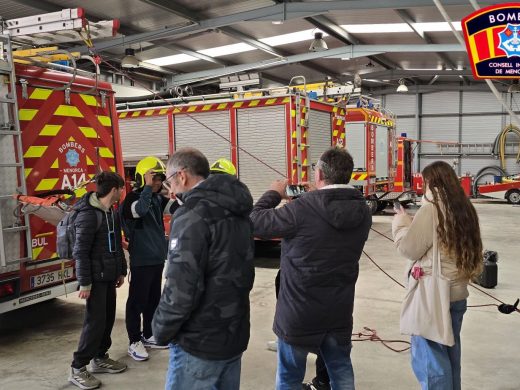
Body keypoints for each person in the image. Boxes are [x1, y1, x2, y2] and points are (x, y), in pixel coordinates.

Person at [250, 147, 372, 390]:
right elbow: (329, 214)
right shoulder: (363, 210)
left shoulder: (302, 209)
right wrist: (314, 197)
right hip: (338, 309)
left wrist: (273, 193)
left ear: (319, 175)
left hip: (299, 312)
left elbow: (254, 222)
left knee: (289, 377)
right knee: (341, 370)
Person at [152, 147, 255, 390]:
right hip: (233, 333)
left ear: (182, 175)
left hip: (199, 342)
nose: (170, 189)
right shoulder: (238, 209)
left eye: (169, 181)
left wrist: (161, 328)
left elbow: (181, 287)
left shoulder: (191, 215)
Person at [392, 161, 483, 390]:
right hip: (457, 294)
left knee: (432, 363)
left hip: (434, 297)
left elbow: (409, 249)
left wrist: (401, 224)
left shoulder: (431, 208)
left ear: (431, 182)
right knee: (451, 355)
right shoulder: (464, 208)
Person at [68, 172, 127, 390]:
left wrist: (121, 270)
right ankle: (78, 367)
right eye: (121, 188)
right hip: (94, 279)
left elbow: (116, 244)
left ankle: (100, 357)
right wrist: (84, 283)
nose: (122, 192)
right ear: (114, 190)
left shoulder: (110, 212)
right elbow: (80, 252)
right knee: (94, 323)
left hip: (109, 276)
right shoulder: (88, 215)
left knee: (107, 319)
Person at [124, 156, 170, 361]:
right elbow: (140, 211)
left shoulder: (158, 199)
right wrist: (147, 188)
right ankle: (134, 341)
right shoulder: (132, 200)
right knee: (137, 302)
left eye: (160, 179)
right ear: (143, 178)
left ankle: (149, 334)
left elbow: (178, 207)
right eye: (154, 178)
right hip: (141, 260)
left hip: (157, 259)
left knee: (153, 300)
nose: (158, 183)